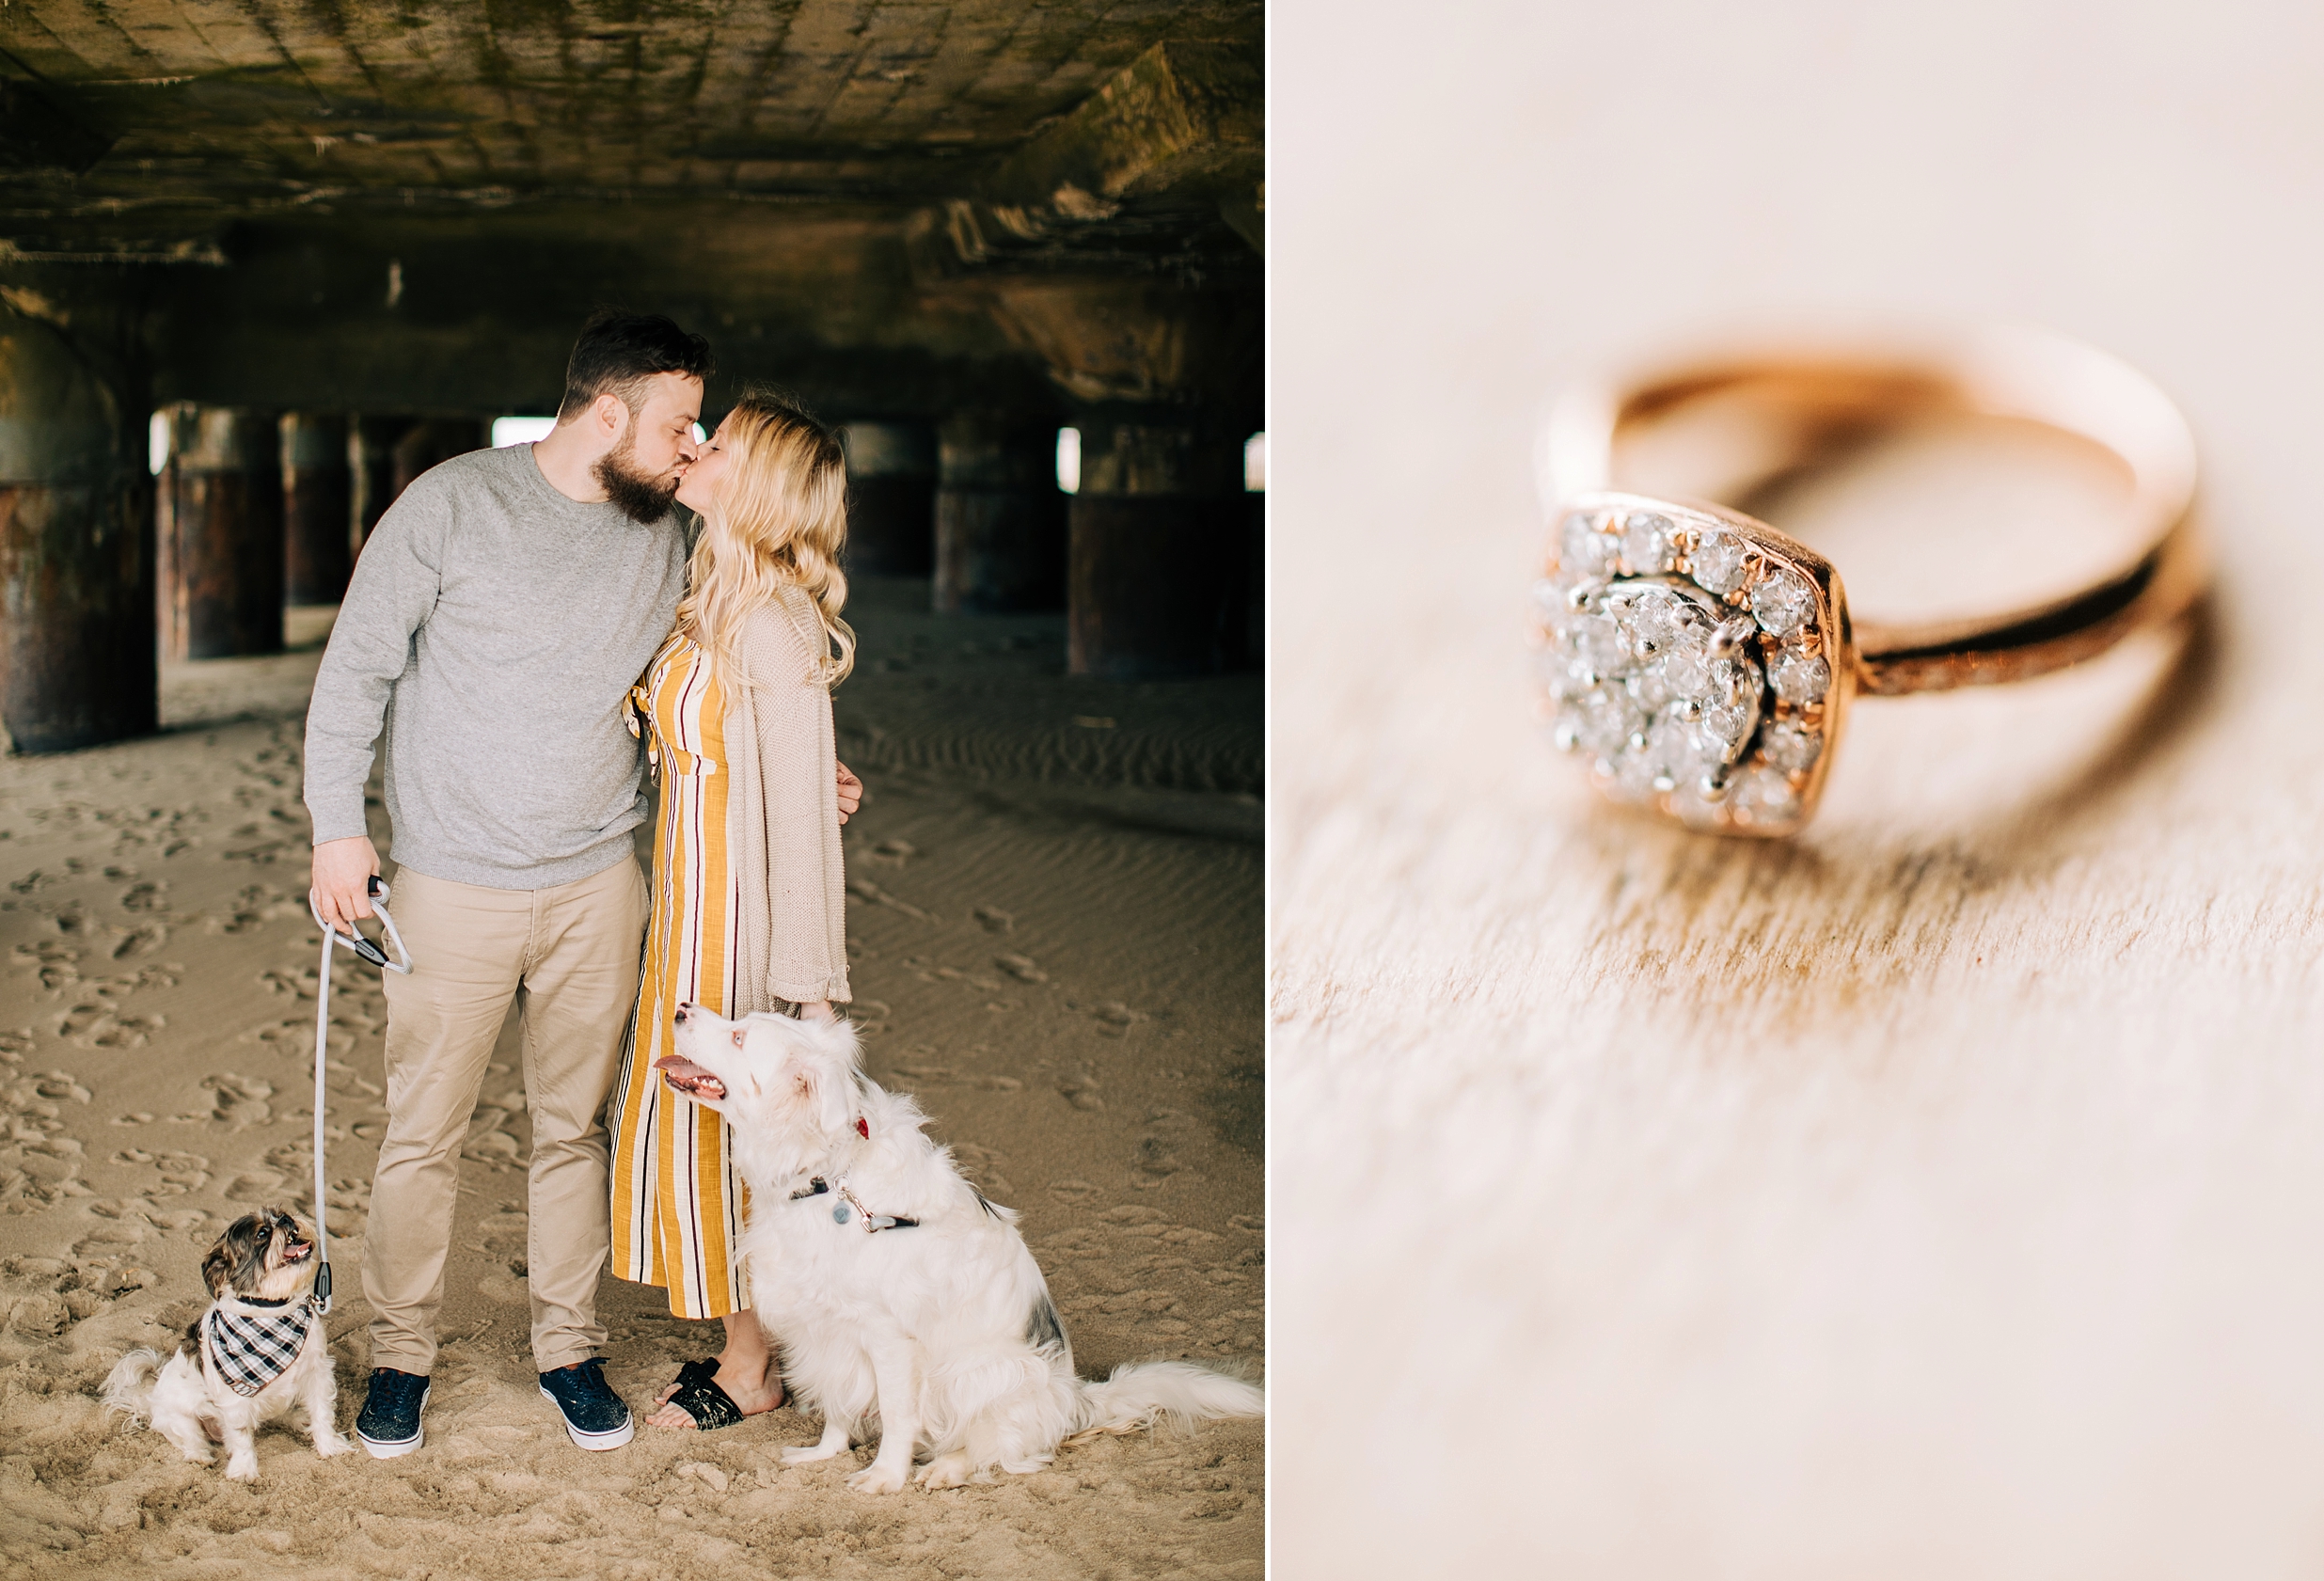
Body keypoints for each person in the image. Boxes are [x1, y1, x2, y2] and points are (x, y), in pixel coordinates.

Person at [301, 315, 861, 1458]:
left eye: (700, 431)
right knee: (422, 1132)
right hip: (450, 881)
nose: (688, 446)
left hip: (602, 888)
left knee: (575, 1133)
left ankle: (567, 1346)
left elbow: (741, 668)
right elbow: (356, 665)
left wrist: (807, 766)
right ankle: (401, 1355)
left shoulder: (668, 536)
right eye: (675, 425)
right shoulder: (451, 504)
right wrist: (333, 831)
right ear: (608, 416)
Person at [606, 390, 857, 1432]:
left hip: (745, 929)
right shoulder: (706, 586)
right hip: (686, 911)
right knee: (699, 1132)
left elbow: (799, 833)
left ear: (758, 485)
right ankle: (739, 1342)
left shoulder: (774, 622)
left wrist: (807, 996)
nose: (700, 451)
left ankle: (751, 1365)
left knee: (744, 1143)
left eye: (725, 445)